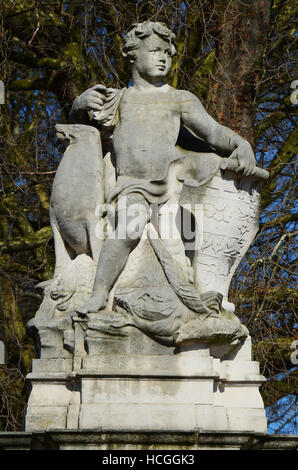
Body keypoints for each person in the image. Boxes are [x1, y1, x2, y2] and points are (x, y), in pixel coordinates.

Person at [69, 21, 256, 314]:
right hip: (132, 186)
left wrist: (240, 144)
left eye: (168, 54)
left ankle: (195, 299)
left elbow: (213, 132)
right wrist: (79, 105)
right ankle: (99, 292)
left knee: (182, 241)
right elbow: (77, 139)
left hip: (173, 188)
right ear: (133, 54)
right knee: (127, 230)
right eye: (155, 51)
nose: (163, 58)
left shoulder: (179, 98)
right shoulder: (118, 100)